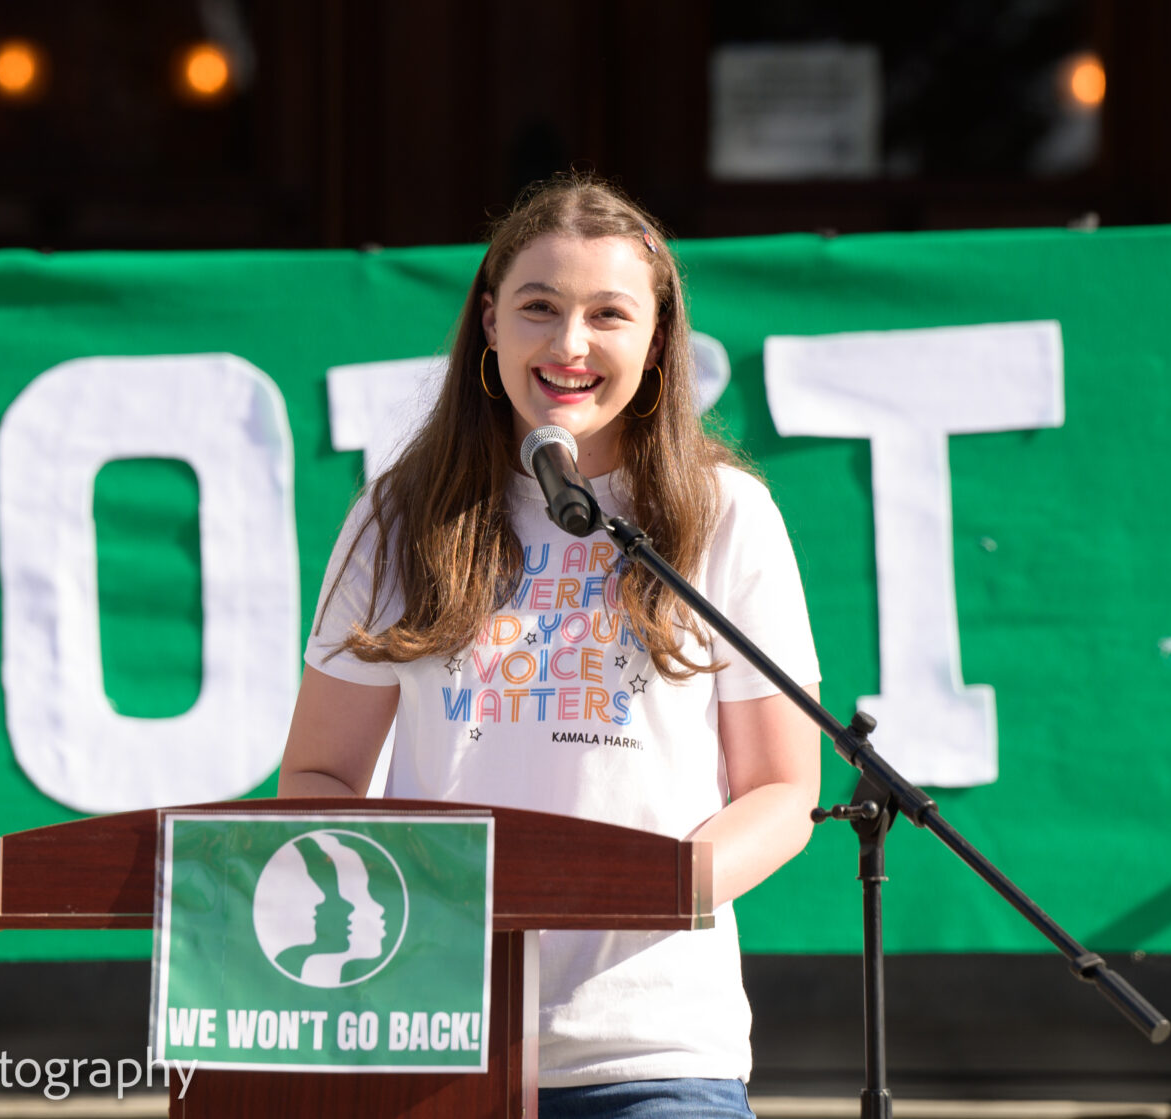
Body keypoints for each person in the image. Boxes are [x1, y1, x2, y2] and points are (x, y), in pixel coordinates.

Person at [279, 173, 824, 1119]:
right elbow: (320, 778)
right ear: (489, 323)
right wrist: (415, 901)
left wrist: (656, 886)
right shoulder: (399, 516)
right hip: (436, 1039)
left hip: (652, 1050)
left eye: (608, 314)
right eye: (540, 307)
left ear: (657, 342)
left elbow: (784, 789)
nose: (569, 344)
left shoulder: (725, 514)